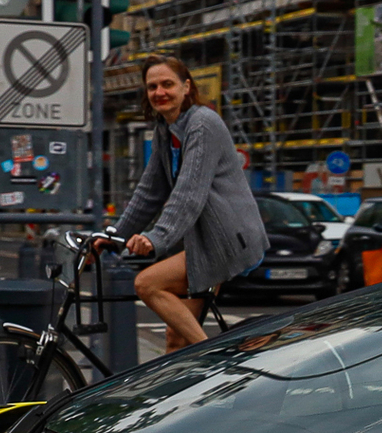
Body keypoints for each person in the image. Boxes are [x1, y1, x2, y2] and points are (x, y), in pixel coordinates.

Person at [110, 51, 267, 353]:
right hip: (203, 240)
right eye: (152, 87)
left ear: (186, 87)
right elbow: (149, 192)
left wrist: (155, 238)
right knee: (176, 338)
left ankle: (211, 357)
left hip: (226, 238)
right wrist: (113, 237)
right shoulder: (165, 131)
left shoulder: (203, 123)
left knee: (147, 284)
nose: (159, 92)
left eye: (167, 84)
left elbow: (189, 194)